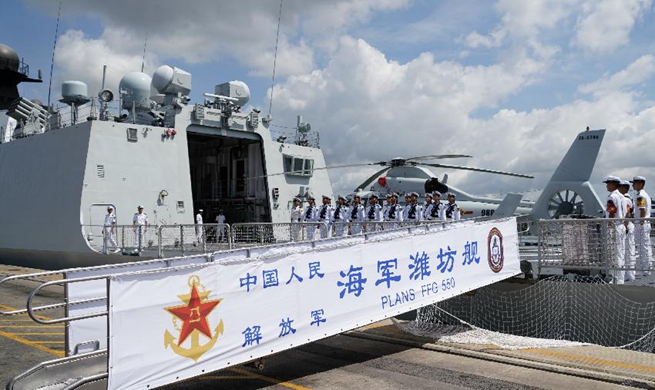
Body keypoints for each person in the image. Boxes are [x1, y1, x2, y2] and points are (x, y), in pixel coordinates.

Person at [604, 176, 625, 284]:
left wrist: (609, 224)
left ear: (613, 184)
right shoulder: (622, 196)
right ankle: (620, 277)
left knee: (613, 252)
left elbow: (612, 211)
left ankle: (615, 277)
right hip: (620, 225)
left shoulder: (612, 197)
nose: (607, 186)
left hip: (614, 226)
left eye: (608, 183)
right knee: (620, 252)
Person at [631, 176, 652, 276]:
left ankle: (645, 269)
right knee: (645, 246)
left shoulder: (640, 196)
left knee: (642, 246)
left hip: (641, 224)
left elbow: (642, 210)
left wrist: (640, 222)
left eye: (634, 183)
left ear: (640, 184)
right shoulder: (644, 195)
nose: (633, 185)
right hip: (644, 223)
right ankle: (647, 268)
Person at [619, 180, 636, 281]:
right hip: (627, 225)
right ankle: (628, 274)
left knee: (627, 251)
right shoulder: (626, 198)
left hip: (627, 226)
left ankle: (629, 275)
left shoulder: (626, 199)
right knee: (627, 250)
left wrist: (625, 226)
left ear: (624, 188)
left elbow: (628, 213)